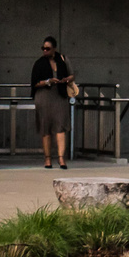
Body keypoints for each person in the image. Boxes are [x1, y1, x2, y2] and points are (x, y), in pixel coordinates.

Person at [30, 36, 73, 170]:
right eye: (43, 48)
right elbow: (34, 83)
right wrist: (48, 81)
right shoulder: (39, 63)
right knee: (45, 127)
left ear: (54, 48)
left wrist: (66, 79)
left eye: (47, 48)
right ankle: (47, 159)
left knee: (60, 127)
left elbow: (72, 74)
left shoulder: (62, 59)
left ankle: (61, 158)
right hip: (44, 96)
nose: (45, 51)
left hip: (59, 95)